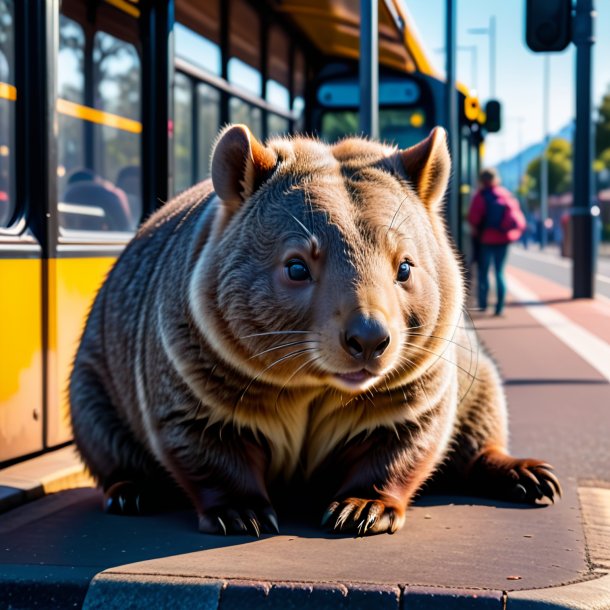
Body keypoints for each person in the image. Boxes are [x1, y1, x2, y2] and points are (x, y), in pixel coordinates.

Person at [468, 168, 526, 316]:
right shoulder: (505, 195)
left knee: (484, 272)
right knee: (500, 272)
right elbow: (519, 221)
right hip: (504, 239)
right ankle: (499, 307)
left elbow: (473, 218)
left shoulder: (480, 196)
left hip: (486, 239)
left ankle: (483, 304)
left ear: (482, 180)